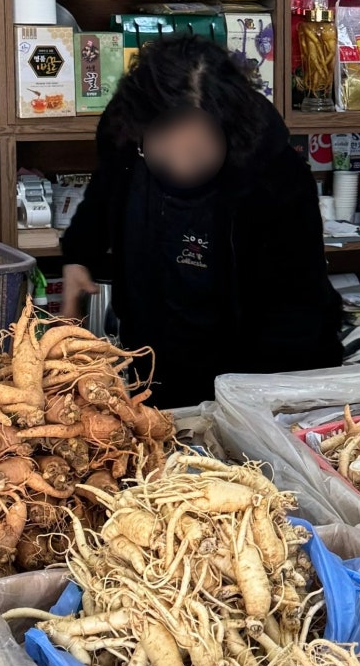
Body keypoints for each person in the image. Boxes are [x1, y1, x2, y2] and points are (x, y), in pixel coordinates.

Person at [60, 35, 343, 407]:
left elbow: (296, 310)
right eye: (163, 151)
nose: (180, 166)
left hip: (258, 374)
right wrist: (78, 257)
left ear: (229, 134)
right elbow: (103, 194)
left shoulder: (275, 176)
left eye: (197, 153)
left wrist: (257, 407)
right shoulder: (125, 132)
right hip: (155, 361)